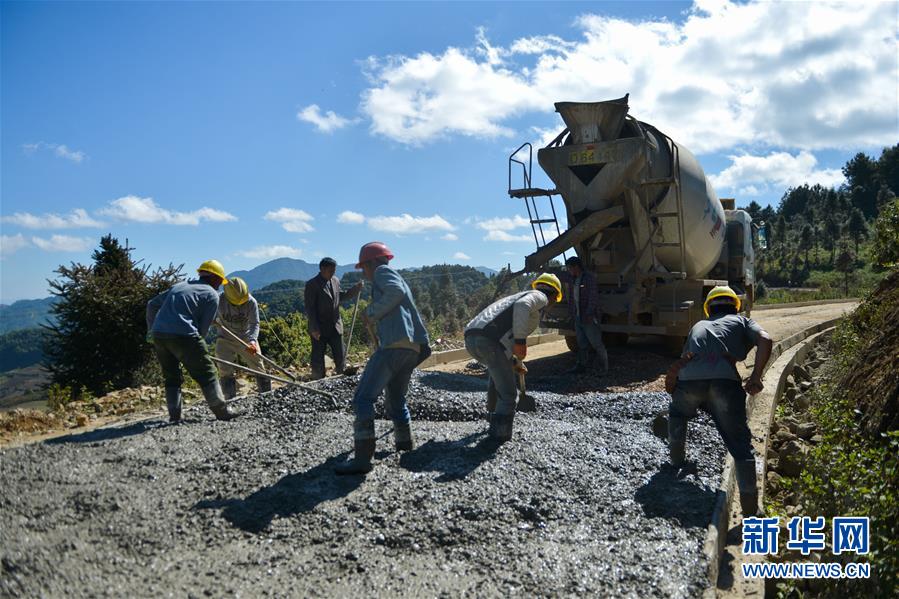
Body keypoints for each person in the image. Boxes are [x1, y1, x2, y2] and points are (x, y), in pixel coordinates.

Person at [664, 285, 773, 516]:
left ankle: (676, 462)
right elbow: (765, 339)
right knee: (740, 447)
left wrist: (675, 387)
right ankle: (751, 511)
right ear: (735, 305)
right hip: (725, 385)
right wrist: (755, 378)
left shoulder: (698, 326)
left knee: (677, 413)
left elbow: (683, 361)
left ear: (708, 309)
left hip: (689, 383)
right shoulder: (741, 321)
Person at [335, 242, 430, 475]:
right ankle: (404, 443)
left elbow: (394, 292)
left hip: (395, 346)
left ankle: (363, 459)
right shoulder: (392, 275)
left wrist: (371, 312)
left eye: (363, 268)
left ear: (370, 263)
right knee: (396, 398)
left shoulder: (382, 272)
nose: (364, 273)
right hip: (411, 347)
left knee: (363, 399)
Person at [463, 273, 563, 442]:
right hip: (489, 341)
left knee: (497, 379)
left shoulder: (517, 296)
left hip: (473, 338)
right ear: (553, 294)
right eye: (555, 300)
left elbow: (506, 333)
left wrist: (514, 361)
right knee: (509, 395)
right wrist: (521, 342)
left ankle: (493, 419)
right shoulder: (539, 297)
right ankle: (498, 437)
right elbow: (523, 307)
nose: (552, 304)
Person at [146, 259, 240, 423]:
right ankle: (221, 410)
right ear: (214, 278)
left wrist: (151, 330)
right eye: (220, 280)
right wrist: (196, 352)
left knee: (171, 376)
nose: (219, 284)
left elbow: (152, 304)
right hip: (185, 335)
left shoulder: (179, 286)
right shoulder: (212, 294)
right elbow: (203, 330)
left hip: (159, 335)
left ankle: (174, 416)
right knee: (207, 372)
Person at [304, 257, 363, 379]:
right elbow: (310, 308)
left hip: (335, 326)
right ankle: (318, 381)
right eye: (331, 270)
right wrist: (314, 328)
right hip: (319, 328)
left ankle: (341, 378)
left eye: (334, 270)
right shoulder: (312, 284)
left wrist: (355, 290)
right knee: (318, 357)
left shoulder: (335, 281)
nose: (333, 273)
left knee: (340, 355)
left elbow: (340, 296)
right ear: (322, 269)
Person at [214, 276, 270, 399]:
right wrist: (210, 320)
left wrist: (252, 341)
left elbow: (255, 323)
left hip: (246, 338)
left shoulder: (251, 302)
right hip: (224, 338)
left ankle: (267, 395)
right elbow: (206, 314)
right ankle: (230, 398)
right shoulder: (218, 300)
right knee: (224, 367)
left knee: (258, 365)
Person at [560, 256, 608, 375]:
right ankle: (581, 366)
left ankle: (604, 368)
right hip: (578, 316)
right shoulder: (573, 279)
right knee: (581, 344)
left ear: (576, 267)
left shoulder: (589, 279)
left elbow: (593, 298)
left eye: (569, 268)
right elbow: (562, 277)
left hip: (588, 317)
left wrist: (589, 313)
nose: (568, 271)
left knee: (596, 343)